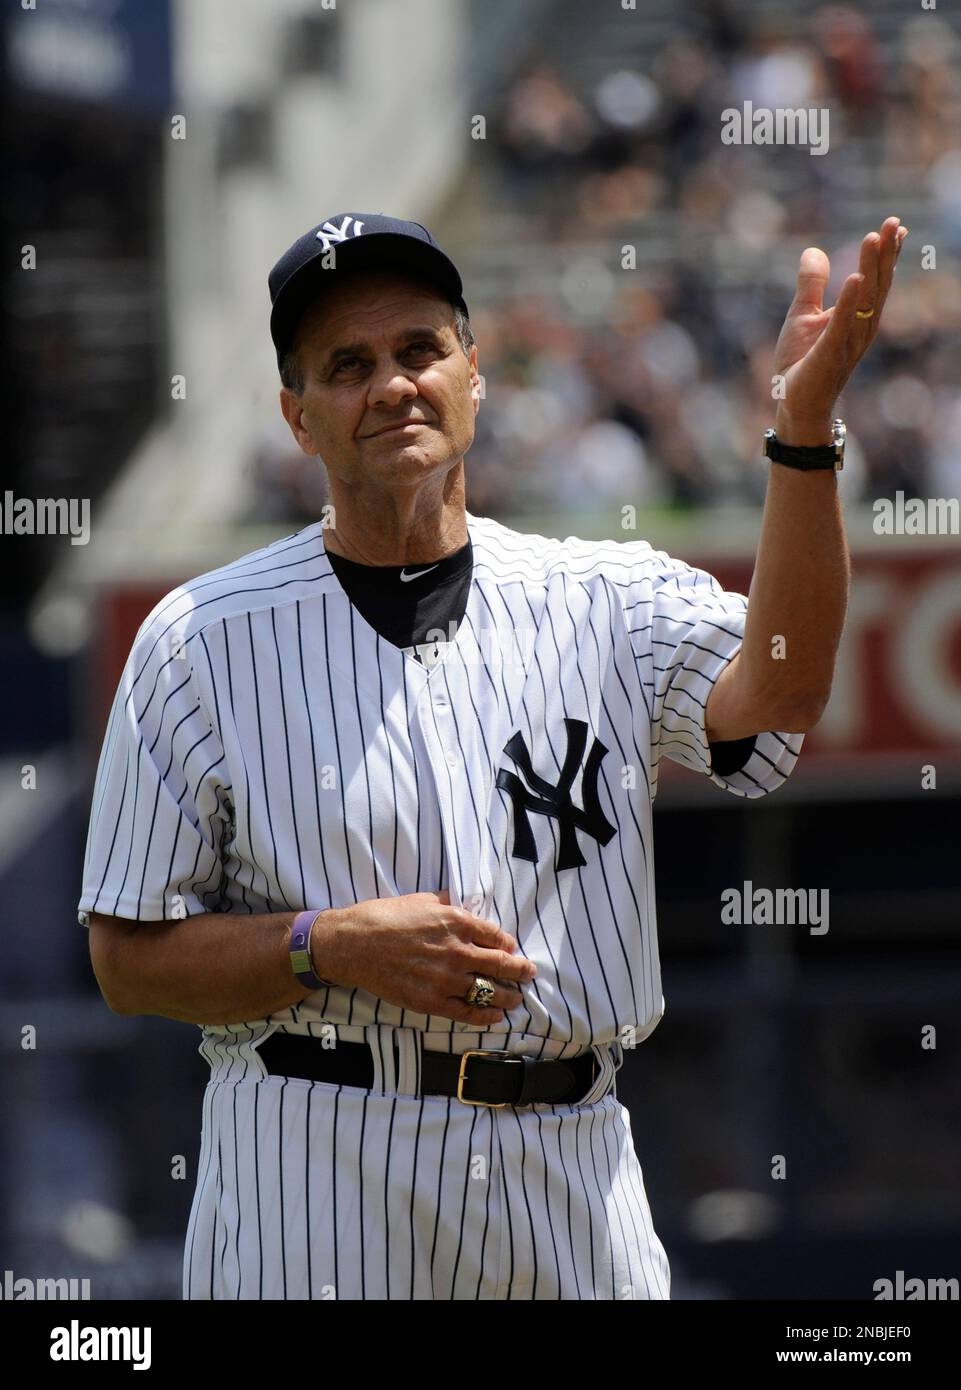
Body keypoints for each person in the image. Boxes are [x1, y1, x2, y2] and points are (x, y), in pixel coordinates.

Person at [80, 210, 906, 1300]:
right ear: (298, 419)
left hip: (571, 1165)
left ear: (476, 374)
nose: (392, 384)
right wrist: (323, 944)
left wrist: (802, 436)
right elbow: (126, 960)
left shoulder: (607, 596)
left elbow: (786, 685)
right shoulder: (197, 638)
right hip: (317, 1159)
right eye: (346, 365)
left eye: (420, 349)